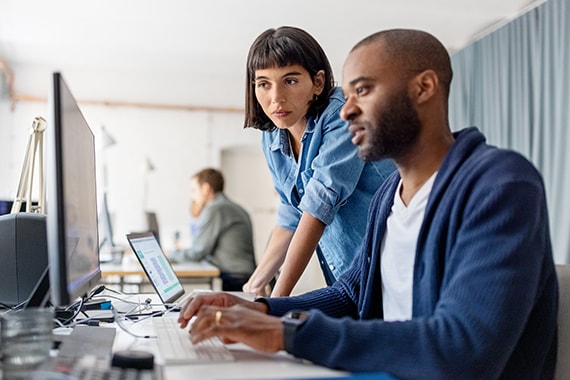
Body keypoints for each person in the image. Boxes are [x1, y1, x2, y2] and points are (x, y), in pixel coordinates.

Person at [178, 29, 558, 379]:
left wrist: (287, 332)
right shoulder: (389, 196)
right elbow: (349, 295)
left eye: (363, 90)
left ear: (424, 87)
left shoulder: (501, 185)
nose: (345, 111)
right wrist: (257, 309)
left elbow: (464, 348)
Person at [241, 26, 395, 297]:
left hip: (391, 269)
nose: (276, 97)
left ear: (318, 83)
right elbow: (291, 213)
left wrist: (275, 302)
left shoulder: (344, 115)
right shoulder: (273, 136)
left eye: (290, 81)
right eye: (264, 83)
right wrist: (254, 287)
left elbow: (318, 205)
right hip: (349, 280)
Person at [170, 168, 256, 291]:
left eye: (194, 190)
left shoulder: (215, 208)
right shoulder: (232, 206)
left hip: (234, 278)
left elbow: (198, 252)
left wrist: (171, 254)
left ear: (205, 188)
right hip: (243, 275)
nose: (192, 196)